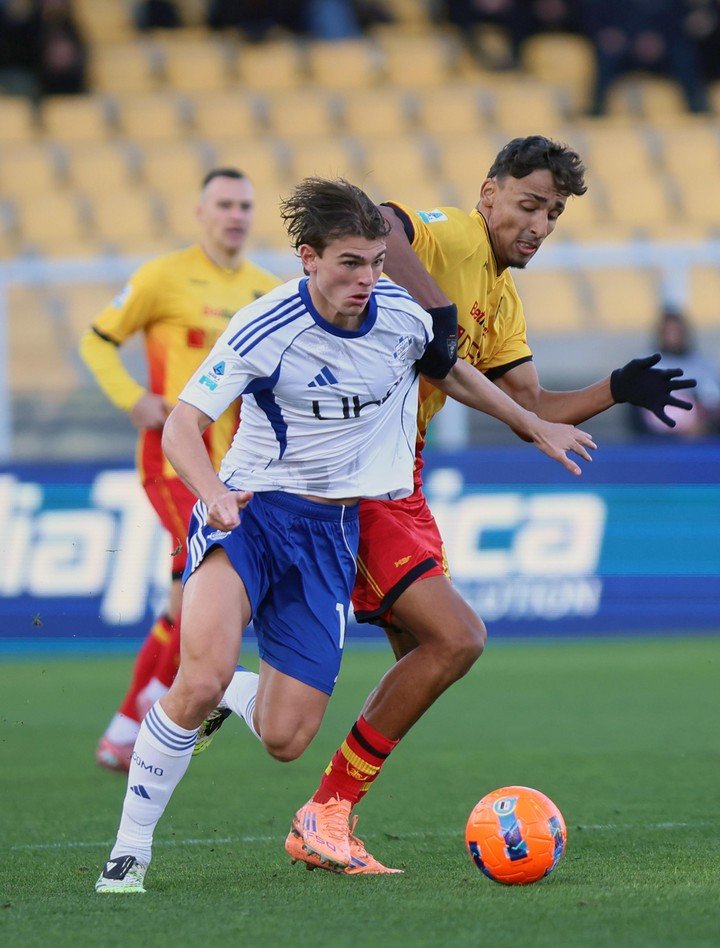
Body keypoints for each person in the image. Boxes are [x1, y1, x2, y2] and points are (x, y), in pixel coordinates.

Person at [203, 135, 696, 875]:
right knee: (455, 639)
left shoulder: (500, 296)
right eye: (528, 204)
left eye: (554, 214)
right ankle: (325, 812)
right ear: (488, 193)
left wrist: (615, 391)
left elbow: (527, 405)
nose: (539, 224)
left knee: (426, 656)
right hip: (352, 472)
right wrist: (433, 304)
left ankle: (251, 709)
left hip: (402, 474)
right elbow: (379, 220)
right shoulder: (452, 236)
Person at [95, 175, 596, 893]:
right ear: (308, 258)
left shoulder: (399, 317)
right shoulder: (265, 324)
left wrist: (535, 423)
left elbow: (456, 375)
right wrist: (212, 496)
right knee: (194, 675)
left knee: (284, 739)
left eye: (376, 262)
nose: (367, 279)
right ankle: (128, 854)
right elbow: (183, 425)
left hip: (329, 535)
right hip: (253, 517)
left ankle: (239, 697)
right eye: (350, 264)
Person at [78, 168, 281, 773]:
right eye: (224, 204)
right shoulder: (161, 277)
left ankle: (128, 726)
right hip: (174, 462)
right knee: (191, 587)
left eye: (245, 204)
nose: (236, 215)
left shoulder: (267, 290)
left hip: (237, 468)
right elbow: (96, 341)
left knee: (181, 601)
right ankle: (151, 717)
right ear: (200, 211)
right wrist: (134, 399)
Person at [629, 306, 720, 438]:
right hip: (658, 440)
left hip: (699, 437)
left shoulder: (703, 365)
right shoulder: (646, 363)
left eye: (677, 331)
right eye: (669, 332)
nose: (673, 336)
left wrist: (701, 424)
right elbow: (636, 409)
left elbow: (713, 402)